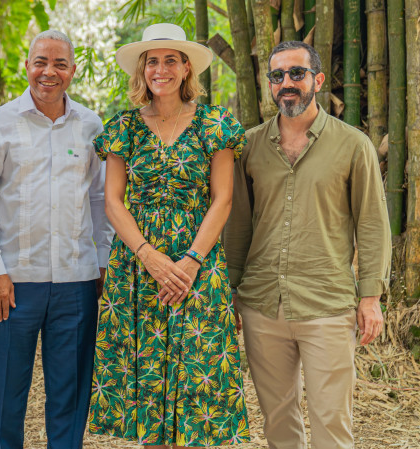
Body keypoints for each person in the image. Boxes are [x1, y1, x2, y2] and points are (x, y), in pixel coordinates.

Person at [87, 23, 250, 447]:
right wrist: (149, 257)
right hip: (139, 268)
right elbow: (113, 202)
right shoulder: (123, 126)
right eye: (152, 61)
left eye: (170, 60)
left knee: (197, 381)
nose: (161, 69)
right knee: (149, 380)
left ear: (186, 69)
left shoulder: (215, 124)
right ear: (142, 70)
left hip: (197, 262)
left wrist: (190, 261)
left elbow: (222, 201)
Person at [223, 41, 390, 449]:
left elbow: (372, 223)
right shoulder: (247, 146)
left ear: (317, 79)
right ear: (269, 86)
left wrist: (370, 297)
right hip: (263, 302)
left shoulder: (353, 145)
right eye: (277, 76)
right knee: (278, 419)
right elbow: (238, 225)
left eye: (296, 73)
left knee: (331, 420)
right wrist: (232, 291)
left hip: (327, 304)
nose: (286, 84)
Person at [0, 30, 114, 449]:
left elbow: (99, 198)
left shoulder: (90, 125)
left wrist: (101, 263)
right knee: (8, 395)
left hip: (77, 280)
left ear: (73, 70)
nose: (49, 72)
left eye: (60, 64)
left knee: (70, 398)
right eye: (41, 62)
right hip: (14, 284)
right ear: (27, 65)